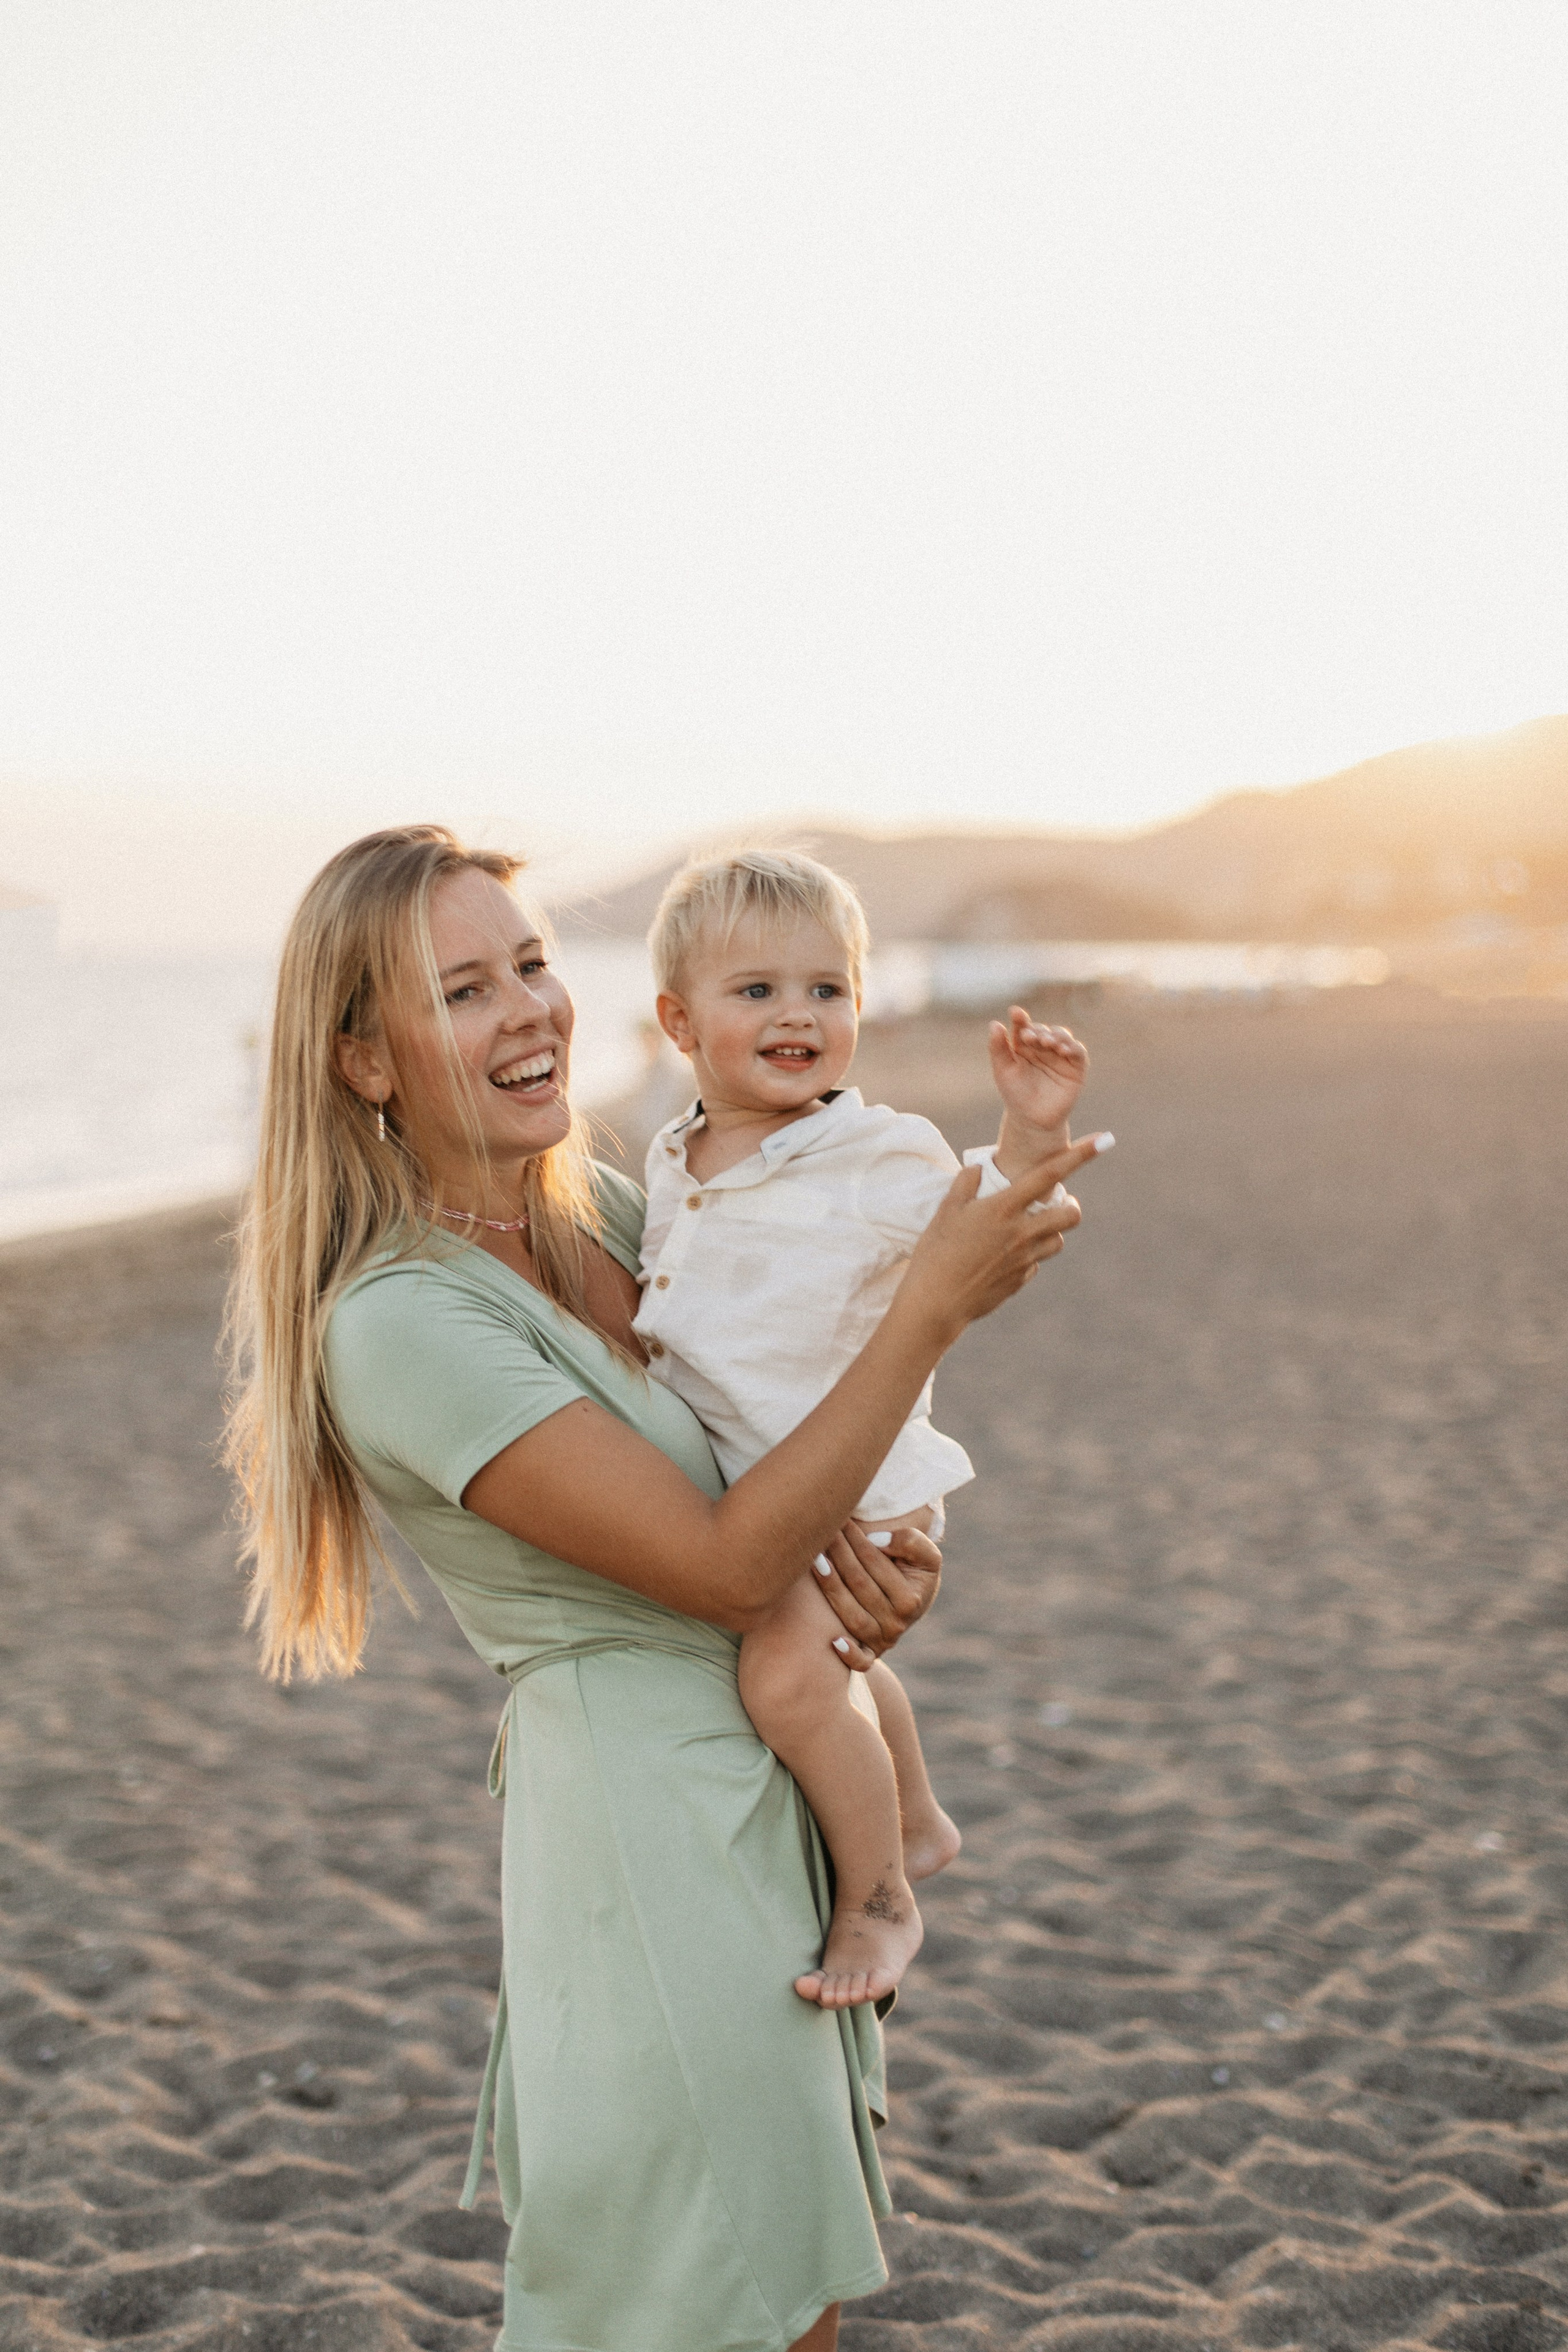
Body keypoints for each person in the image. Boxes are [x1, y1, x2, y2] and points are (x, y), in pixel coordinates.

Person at [225, 824, 1098, 2352]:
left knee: (791, 2287)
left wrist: (875, 1596)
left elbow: (787, 1457)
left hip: (772, 1778)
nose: (530, 1013)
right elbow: (719, 1558)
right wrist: (934, 1315)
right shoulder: (399, 1323)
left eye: (536, 964)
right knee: (697, 2295)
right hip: (651, 1837)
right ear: (365, 1063)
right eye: (462, 992)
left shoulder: (624, 1218)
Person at [636, 849, 1108, 2015]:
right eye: (756, 992)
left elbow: (992, 1213)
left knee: (788, 1681)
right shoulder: (668, 1159)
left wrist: (1031, 1127)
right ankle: (914, 1812)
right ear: (676, 1022)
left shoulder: (872, 1153)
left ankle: (883, 1893)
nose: (798, 1013)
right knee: (830, 1664)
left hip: (863, 1491)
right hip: (768, 1486)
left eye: (827, 988)